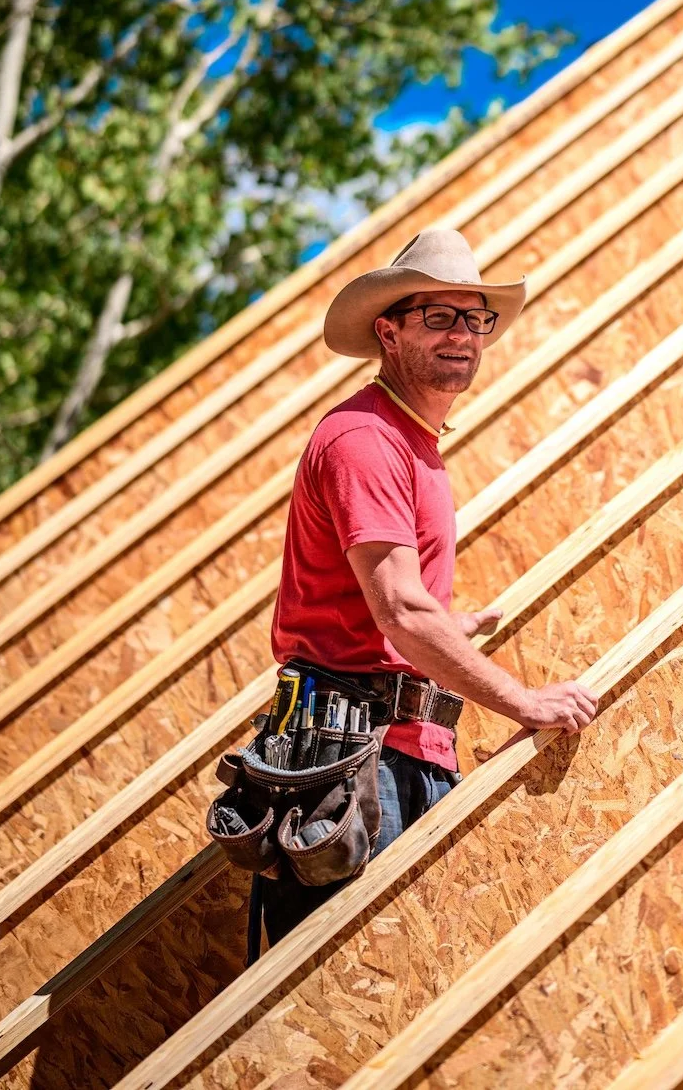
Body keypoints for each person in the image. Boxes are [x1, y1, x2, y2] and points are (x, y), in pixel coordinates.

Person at [261, 228, 598, 943]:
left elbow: (398, 607)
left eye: (476, 319)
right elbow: (400, 610)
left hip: (403, 751)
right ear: (388, 330)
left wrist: (444, 625)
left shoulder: (413, 440)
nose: (464, 337)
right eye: (438, 317)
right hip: (356, 764)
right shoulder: (366, 439)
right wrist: (524, 701)